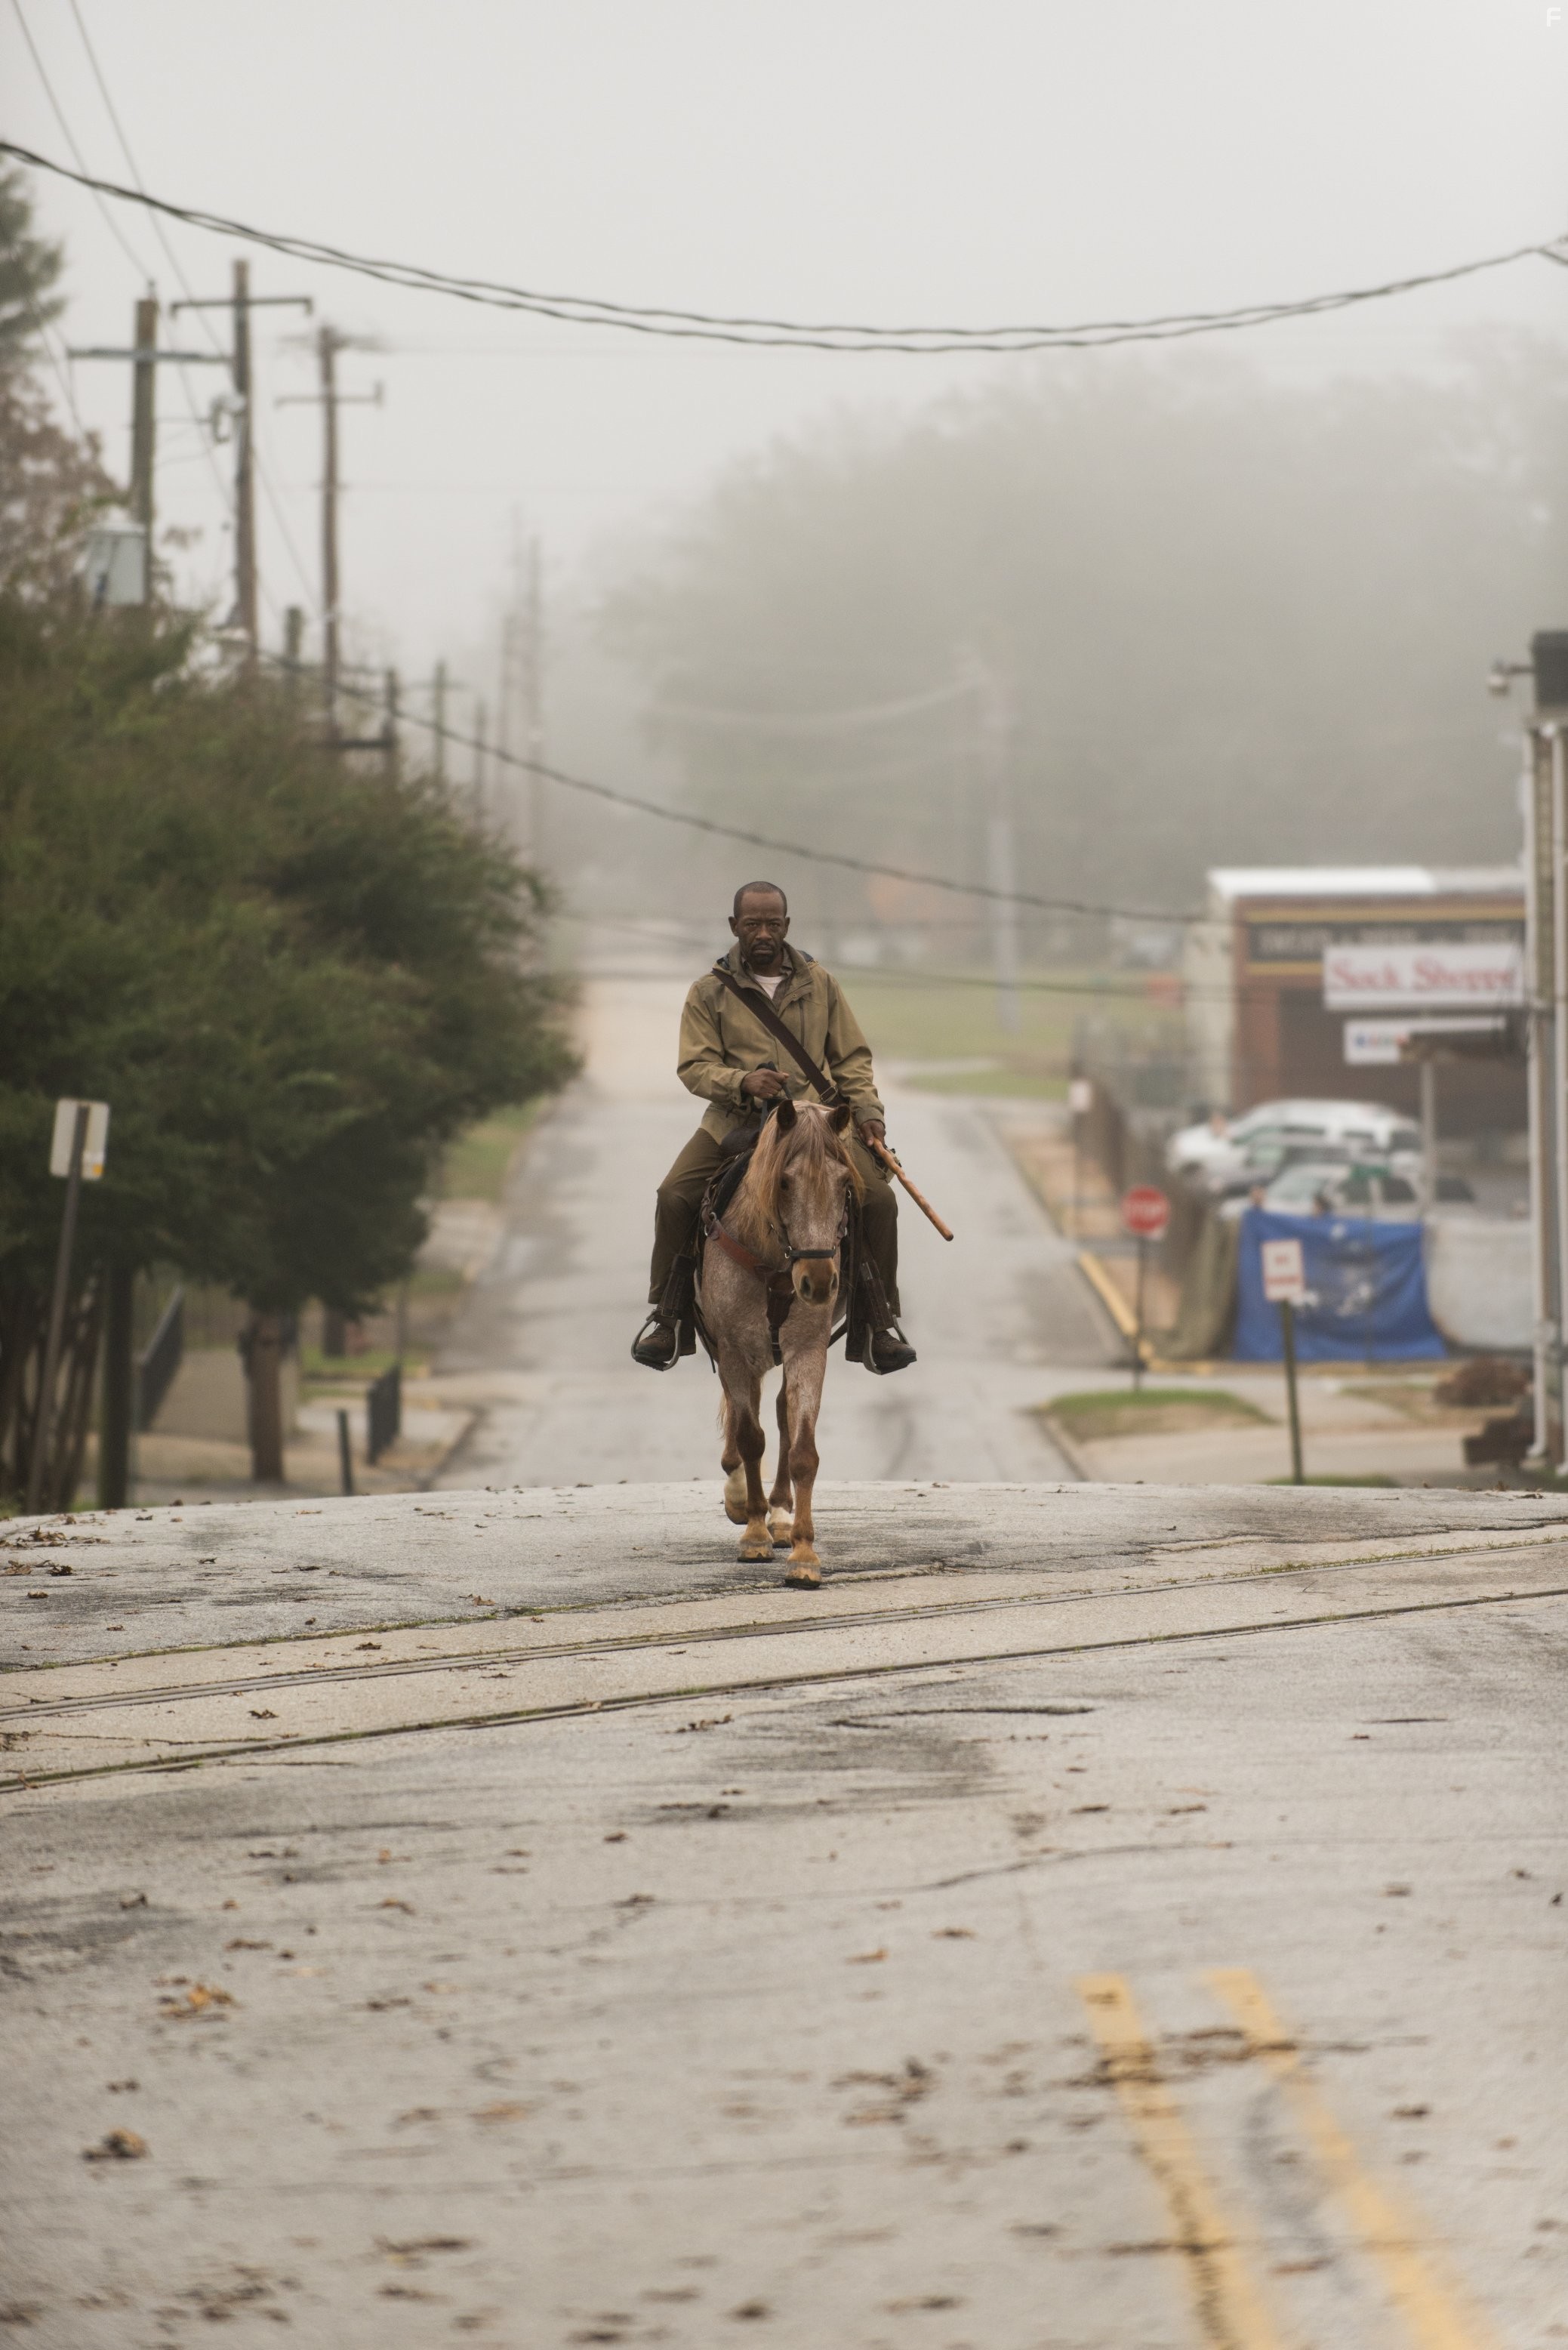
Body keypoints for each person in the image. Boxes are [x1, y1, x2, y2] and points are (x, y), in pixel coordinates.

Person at [632, 881, 916, 1374]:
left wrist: (868, 1110)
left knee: (880, 1201)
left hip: (820, 1127)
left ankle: (878, 1319)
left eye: (772, 923)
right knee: (674, 1196)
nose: (762, 933)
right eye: (751, 924)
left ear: (786, 926)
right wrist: (743, 1081)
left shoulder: (820, 983)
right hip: (735, 1122)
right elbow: (694, 1066)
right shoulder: (708, 992)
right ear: (733, 927)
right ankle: (668, 1314)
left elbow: (849, 1057)